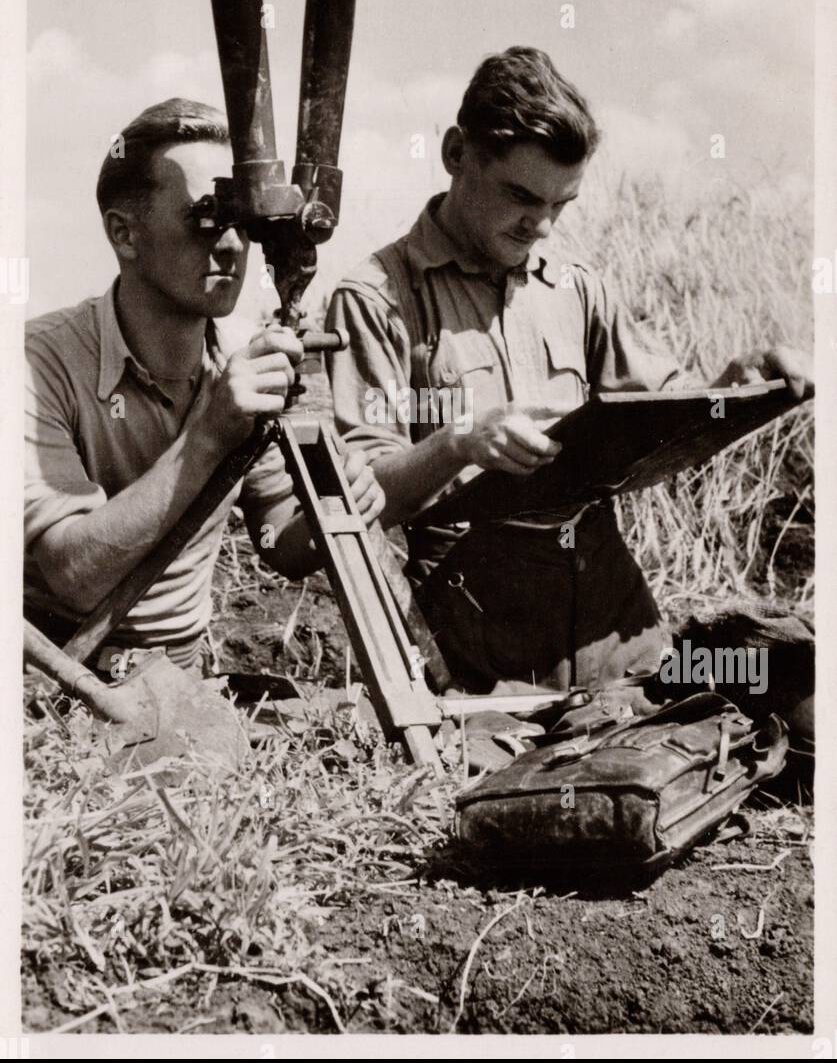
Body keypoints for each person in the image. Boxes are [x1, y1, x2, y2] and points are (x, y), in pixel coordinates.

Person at [326, 47, 812, 704]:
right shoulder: (376, 298)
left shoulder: (576, 287)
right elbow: (360, 504)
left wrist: (741, 378)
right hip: (480, 638)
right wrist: (454, 444)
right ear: (454, 153)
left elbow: (668, 408)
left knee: (782, 693)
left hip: (613, 618)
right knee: (576, 775)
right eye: (521, 196)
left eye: (563, 203)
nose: (543, 225)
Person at [24, 99, 384, 677]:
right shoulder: (37, 363)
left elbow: (278, 541)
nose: (233, 246)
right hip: (54, 682)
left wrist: (340, 508)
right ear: (124, 233)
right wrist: (208, 436)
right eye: (205, 218)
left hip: (181, 681)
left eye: (241, 222)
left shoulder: (240, 354)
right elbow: (76, 576)